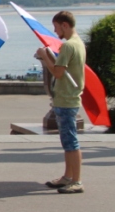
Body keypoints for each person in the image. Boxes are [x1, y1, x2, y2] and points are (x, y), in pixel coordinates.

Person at [37, 11, 87, 194]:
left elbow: (58, 72)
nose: (55, 31)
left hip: (66, 99)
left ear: (65, 25)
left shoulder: (68, 46)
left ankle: (77, 180)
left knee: (71, 141)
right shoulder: (79, 43)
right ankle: (68, 176)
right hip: (69, 98)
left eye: (56, 27)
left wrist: (44, 56)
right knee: (67, 141)